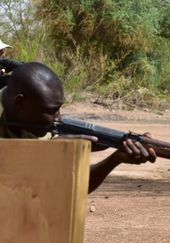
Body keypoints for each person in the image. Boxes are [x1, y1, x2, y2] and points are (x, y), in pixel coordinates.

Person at [0, 62, 157, 193]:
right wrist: (46, 153)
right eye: (51, 111)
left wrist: (115, 159)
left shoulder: (35, 122)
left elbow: (68, 189)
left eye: (59, 108)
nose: (58, 118)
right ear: (19, 103)